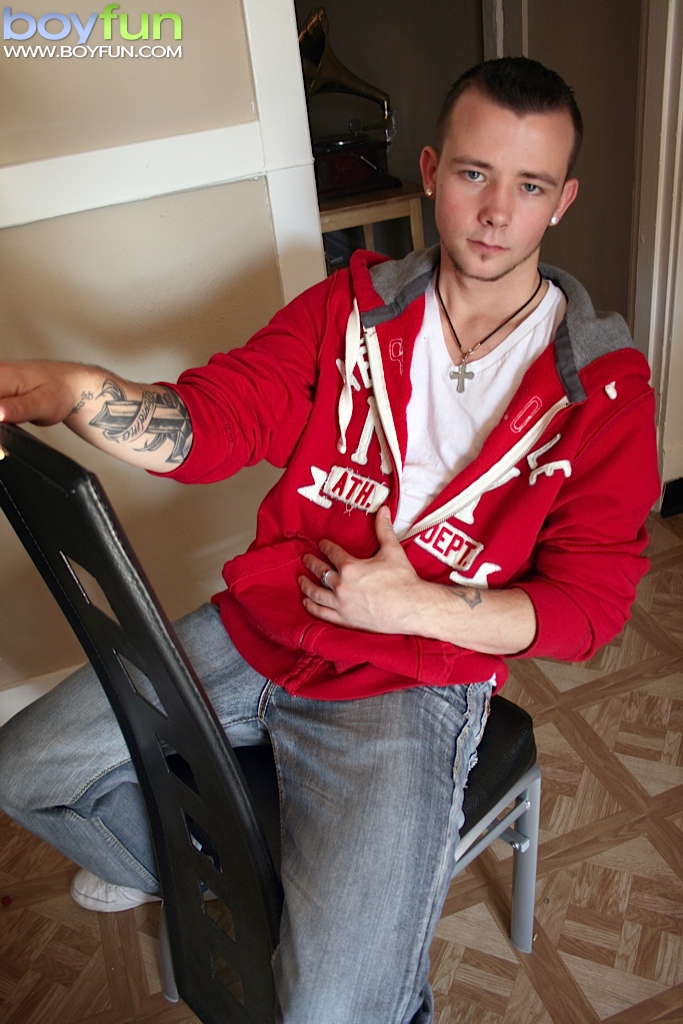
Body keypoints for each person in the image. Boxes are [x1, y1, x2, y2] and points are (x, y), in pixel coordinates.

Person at [0, 57, 660, 1024]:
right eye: (473, 173)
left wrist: (412, 606)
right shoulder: (346, 310)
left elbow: (588, 611)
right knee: (26, 770)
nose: (493, 213)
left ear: (560, 202)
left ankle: (332, 949)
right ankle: (264, 909)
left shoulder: (601, 391)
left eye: (528, 187)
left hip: (408, 685)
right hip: (259, 627)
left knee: (329, 1010)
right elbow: (217, 418)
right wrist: (76, 392)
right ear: (430, 171)